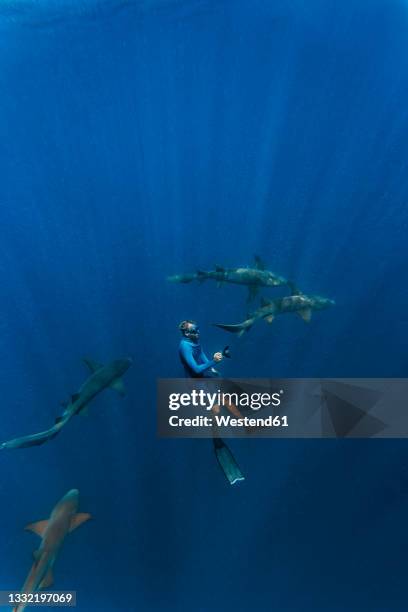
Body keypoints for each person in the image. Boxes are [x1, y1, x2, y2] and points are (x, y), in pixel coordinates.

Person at [178, 320, 245, 485]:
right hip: (195, 383)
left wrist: (212, 366)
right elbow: (195, 369)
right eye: (195, 330)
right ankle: (217, 440)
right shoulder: (184, 346)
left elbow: (201, 357)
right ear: (187, 333)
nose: (198, 332)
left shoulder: (194, 341)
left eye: (198, 328)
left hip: (204, 377)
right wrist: (213, 362)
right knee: (214, 410)